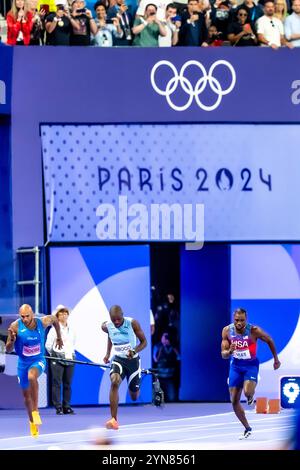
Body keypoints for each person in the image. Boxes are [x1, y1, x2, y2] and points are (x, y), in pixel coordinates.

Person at [221, 307, 281, 439]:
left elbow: (269, 339)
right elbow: (223, 355)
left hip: (250, 365)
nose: (239, 323)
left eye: (242, 320)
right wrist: (230, 351)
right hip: (236, 366)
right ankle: (247, 427)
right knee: (234, 400)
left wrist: (276, 359)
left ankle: (250, 396)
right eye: (237, 320)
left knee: (247, 392)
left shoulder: (254, 330)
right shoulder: (227, 331)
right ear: (233, 318)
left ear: (246, 318)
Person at [5, 304, 63, 437]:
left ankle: (36, 411)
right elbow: (8, 350)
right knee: (26, 397)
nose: (25, 319)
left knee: (32, 376)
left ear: (32, 314)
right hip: (22, 364)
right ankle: (32, 421)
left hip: (38, 361)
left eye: (27, 316)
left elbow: (54, 319)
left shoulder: (42, 322)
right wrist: (12, 340)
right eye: (22, 317)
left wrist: (59, 337)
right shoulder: (15, 326)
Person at [101, 305, 147, 430]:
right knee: (114, 382)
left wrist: (134, 350)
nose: (116, 322)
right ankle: (113, 420)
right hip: (118, 360)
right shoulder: (106, 326)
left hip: (133, 362)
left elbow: (144, 342)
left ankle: (136, 386)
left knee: (134, 396)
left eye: (118, 319)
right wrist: (107, 354)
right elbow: (110, 336)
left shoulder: (132, 323)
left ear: (123, 316)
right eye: (113, 319)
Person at [45, 304, 76, 415]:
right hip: (56, 358)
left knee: (68, 383)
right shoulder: (53, 330)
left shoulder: (72, 329)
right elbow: (48, 345)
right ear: (57, 316)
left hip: (70, 358)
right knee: (57, 383)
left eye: (65, 313)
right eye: (61, 313)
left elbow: (73, 343)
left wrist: (70, 353)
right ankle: (58, 407)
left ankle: (67, 406)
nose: (63, 315)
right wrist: (54, 355)